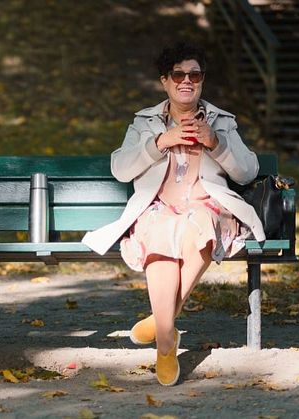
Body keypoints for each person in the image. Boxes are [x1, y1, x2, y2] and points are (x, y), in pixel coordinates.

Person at [82, 42, 265, 386]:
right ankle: (167, 340)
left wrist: (216, 144)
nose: (186, 81)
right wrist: (160, 142)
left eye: (194, 75)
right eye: (178, 74)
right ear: (165, 81)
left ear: (202, 81)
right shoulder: (146, 121)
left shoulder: (220, 122)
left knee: (202, 225)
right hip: (159, 207)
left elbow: (247, 172)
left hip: (206, 206)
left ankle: (160, 324)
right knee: (160, 232)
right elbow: (121, 168)